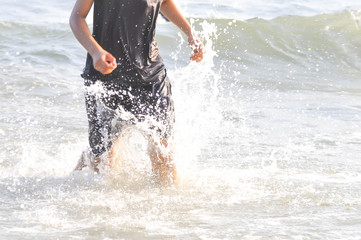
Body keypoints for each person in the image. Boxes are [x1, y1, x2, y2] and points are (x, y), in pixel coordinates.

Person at [69, 0, 204, 183]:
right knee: (103, 161)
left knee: (163, 154)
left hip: (151, 74)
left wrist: (189, 32)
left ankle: (169, 207)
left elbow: (163, 2)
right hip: (105, 73)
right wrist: (95, 52)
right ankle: (75, 179)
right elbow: (77, 17)